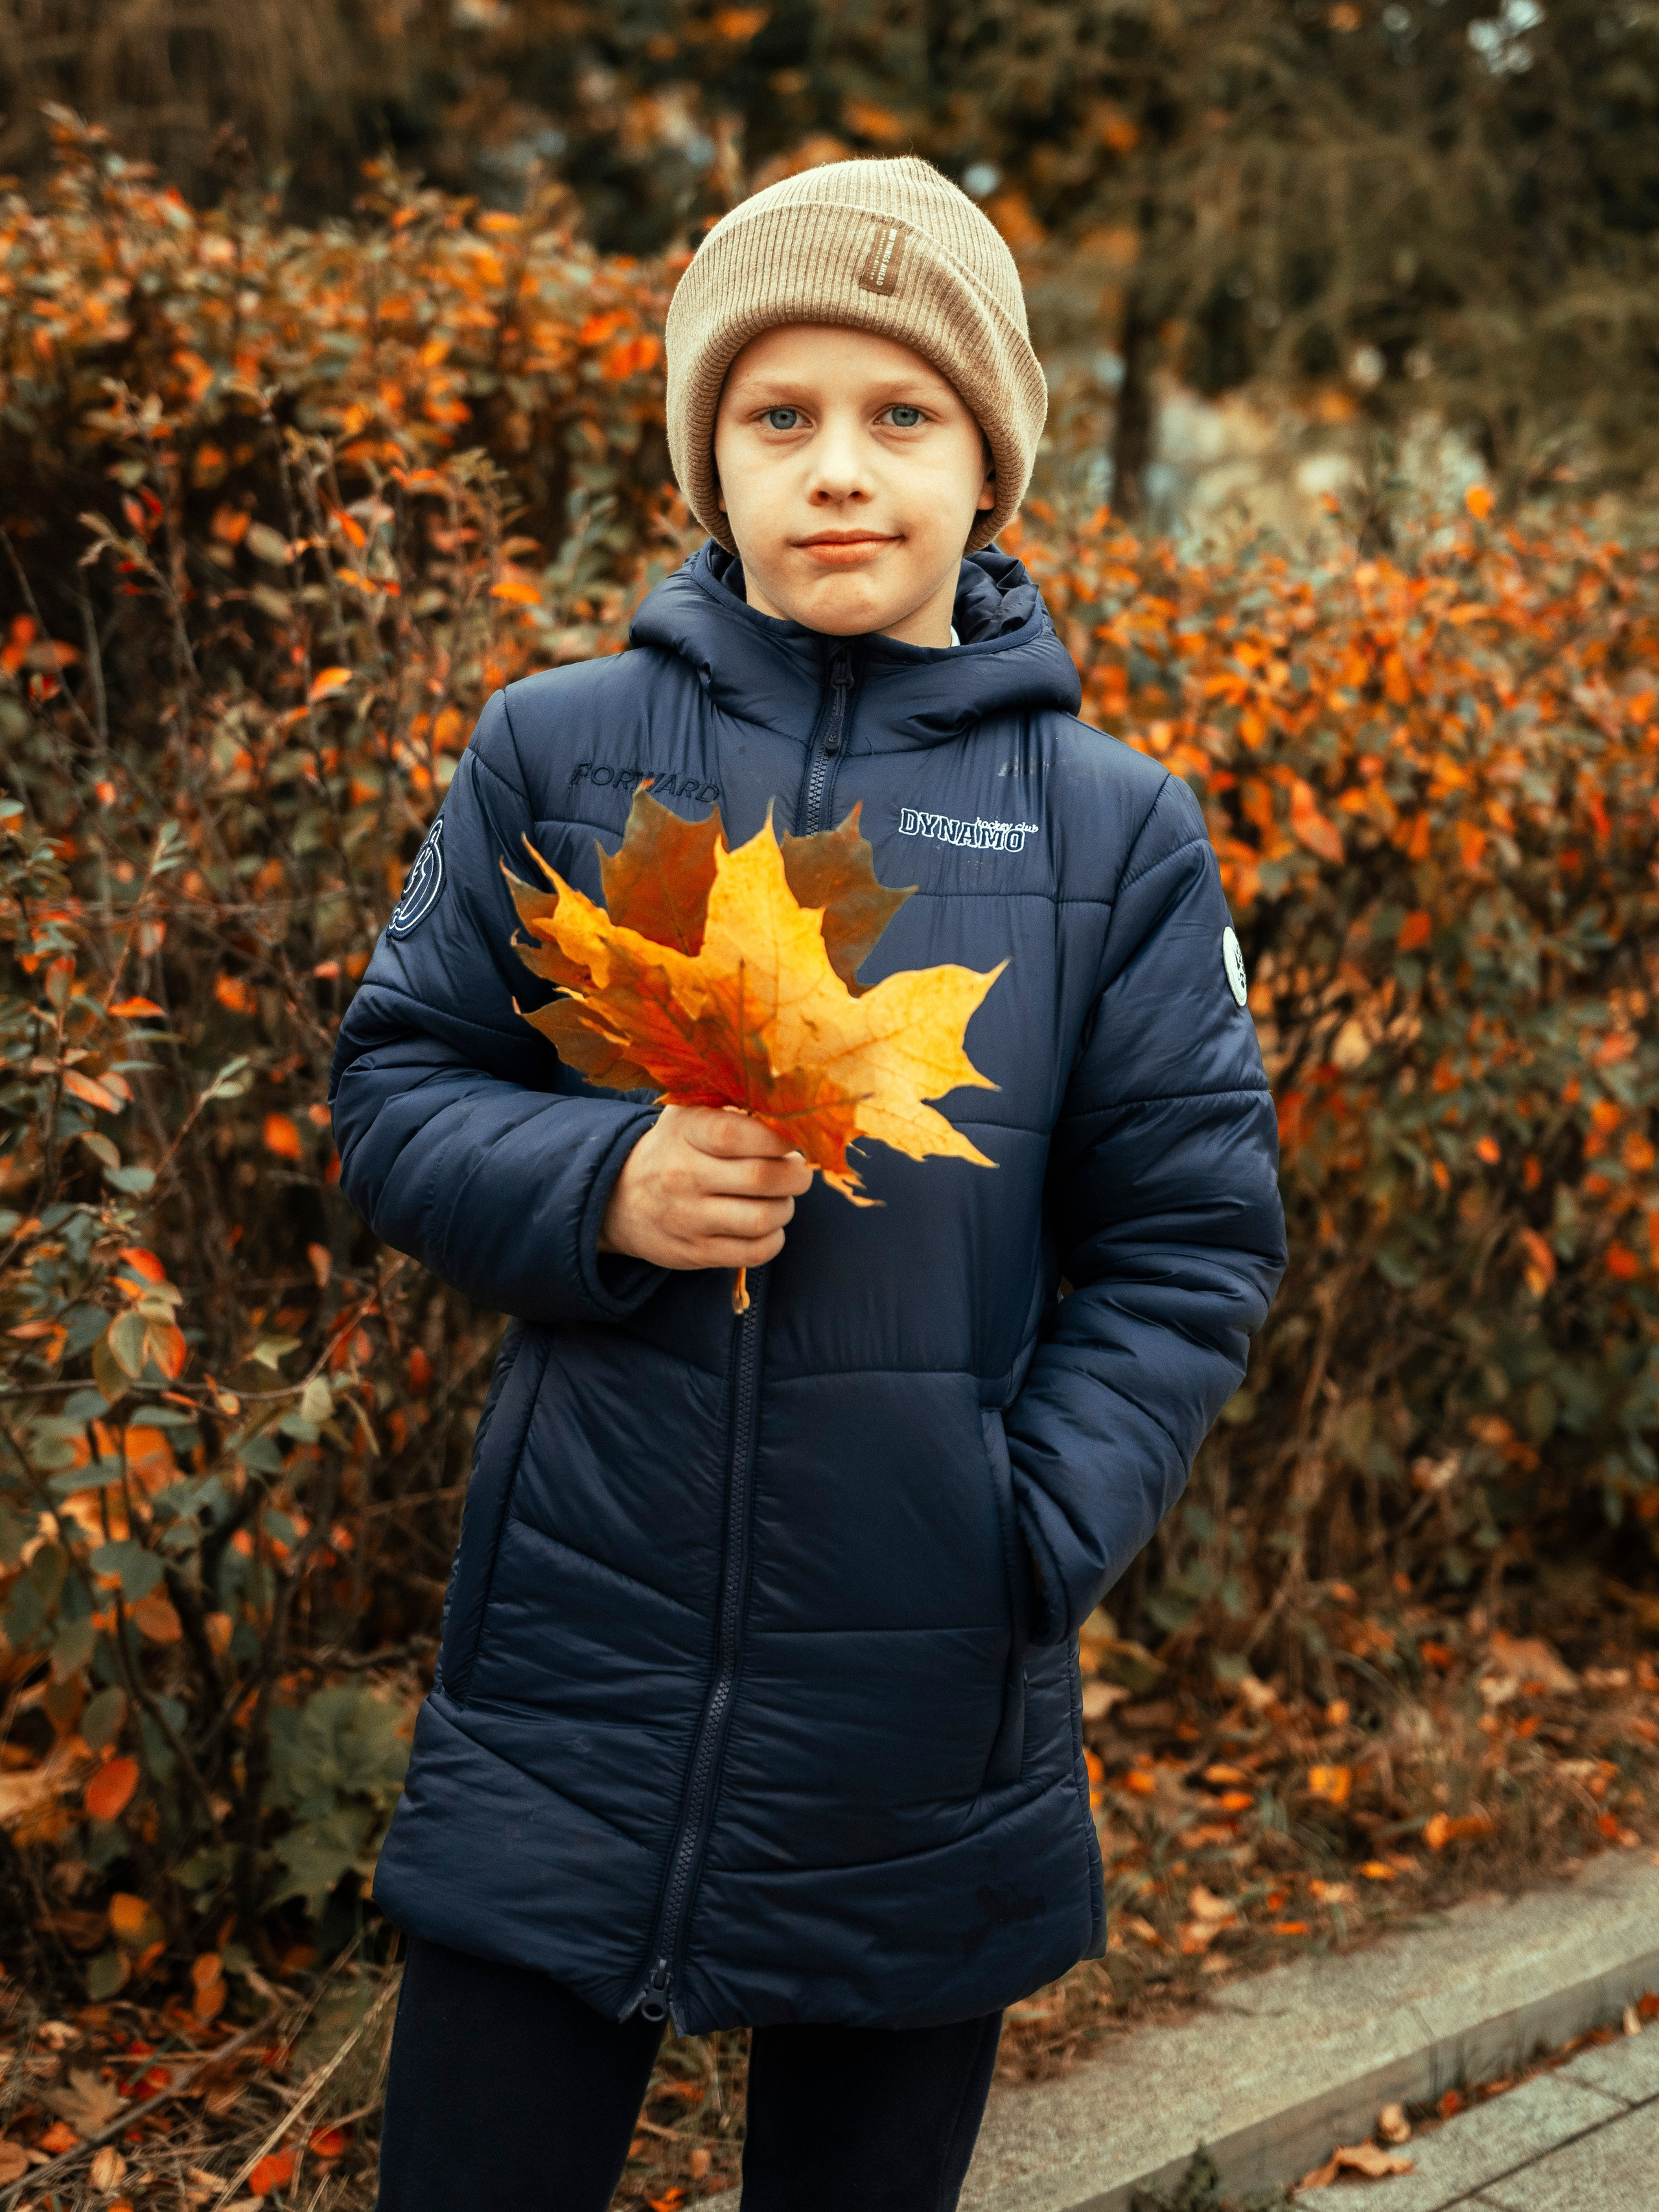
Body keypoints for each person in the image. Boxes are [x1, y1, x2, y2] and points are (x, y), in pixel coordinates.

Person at [331, 154, 1286, 2211]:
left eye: (899, 415)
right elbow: (397, 1081)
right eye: (781, 417)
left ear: (988, 461)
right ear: (710, 460)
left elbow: (1189, 1236)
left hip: (927, 1702)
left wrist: (1025, 1529)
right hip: (568, 1682)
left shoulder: (1113, 834)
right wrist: (599, 1181)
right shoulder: (555, 753)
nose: (838, 470)